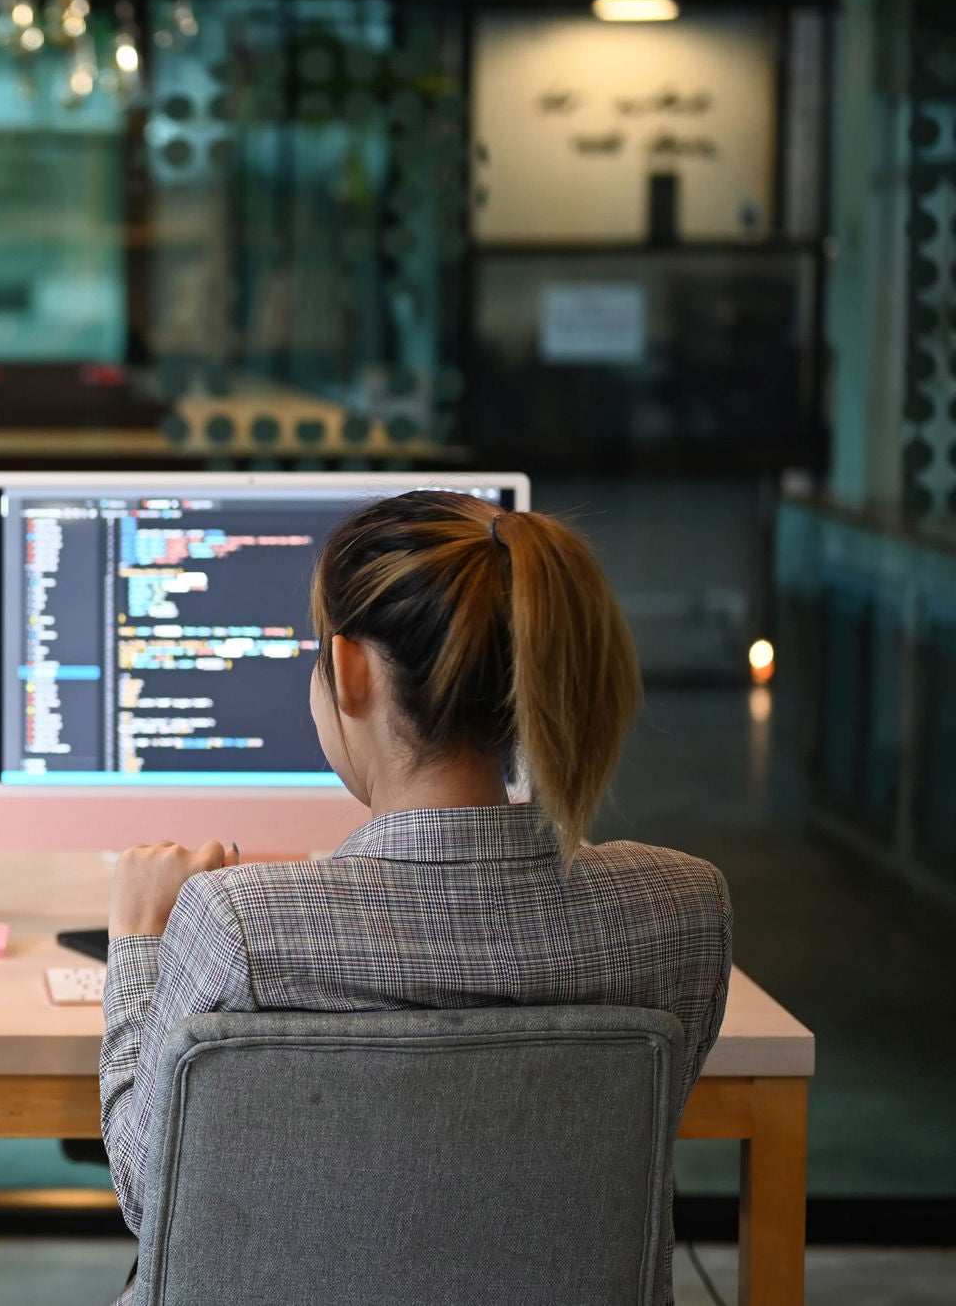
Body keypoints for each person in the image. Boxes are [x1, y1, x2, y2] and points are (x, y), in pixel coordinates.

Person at [97, 492, 732, 1305]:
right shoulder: (682, 909)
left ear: (352, 670)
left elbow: (149, 1192)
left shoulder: (238, 923)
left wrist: (141, 946)